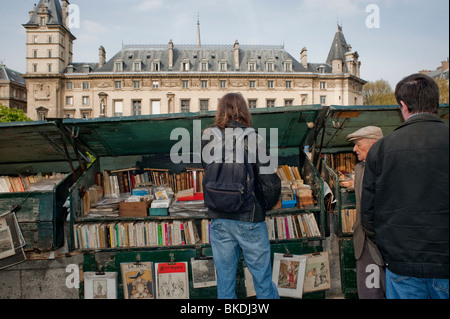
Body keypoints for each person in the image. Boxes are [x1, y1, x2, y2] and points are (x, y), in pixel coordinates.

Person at [361, 73, 449, 299]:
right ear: (435, 104)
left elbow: (368, 214)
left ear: (402, 106)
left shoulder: (380, 149)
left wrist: (389, 249)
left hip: (401, 265)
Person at [201, 93, 280, 299]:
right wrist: (266, 205)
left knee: (225, 283)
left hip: (218, 218)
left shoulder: (207, 136)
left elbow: (208, 173)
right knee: (262, 281)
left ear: (220, 110)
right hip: (250, 217)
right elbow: (270, 183)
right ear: (244, 111)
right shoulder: (253, 138)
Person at [347, 126, 385, 299]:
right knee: (368, 291)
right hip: (363, 240)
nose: (354, 149)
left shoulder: (387, 167)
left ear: (373, 145)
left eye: (358, 144)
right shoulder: (359, 169)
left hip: (382, 242)